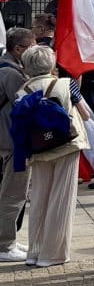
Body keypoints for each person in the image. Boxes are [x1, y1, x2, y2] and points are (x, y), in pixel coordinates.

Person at [16, 45, 89, 266]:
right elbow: (85, 114)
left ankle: (34, 252)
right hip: (67, 145)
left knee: (39, 200)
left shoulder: (22, 92)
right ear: (52, 63)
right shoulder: (66, 85)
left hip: (38, 149)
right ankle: (52, 254)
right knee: (61, 200)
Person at [0, 27, 34, 262]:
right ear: (19, 49)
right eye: (31, 47)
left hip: (7, 138)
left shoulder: (7, 67)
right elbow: (25, 102)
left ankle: (8, 239)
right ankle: (4, 244)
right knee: (13, 193)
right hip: (11, 141)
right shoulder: (11, 73)